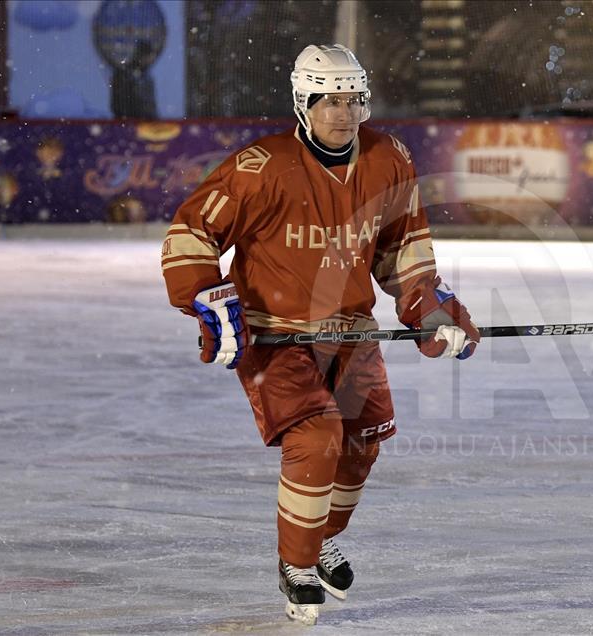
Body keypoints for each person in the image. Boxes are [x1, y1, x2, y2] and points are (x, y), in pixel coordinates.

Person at [160, 44, 479, 625]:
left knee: (363, 444)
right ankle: (298, 565)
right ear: (302, 104)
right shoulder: (260, 167)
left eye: (353, 99)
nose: (342, 112)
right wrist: (206, 296)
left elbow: (401, 246)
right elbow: (190, 232)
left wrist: (428, 307)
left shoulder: (389, 157)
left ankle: (321, 535)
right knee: (317, 436)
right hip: (272, 333)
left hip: (351, 331)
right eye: (328, 100)